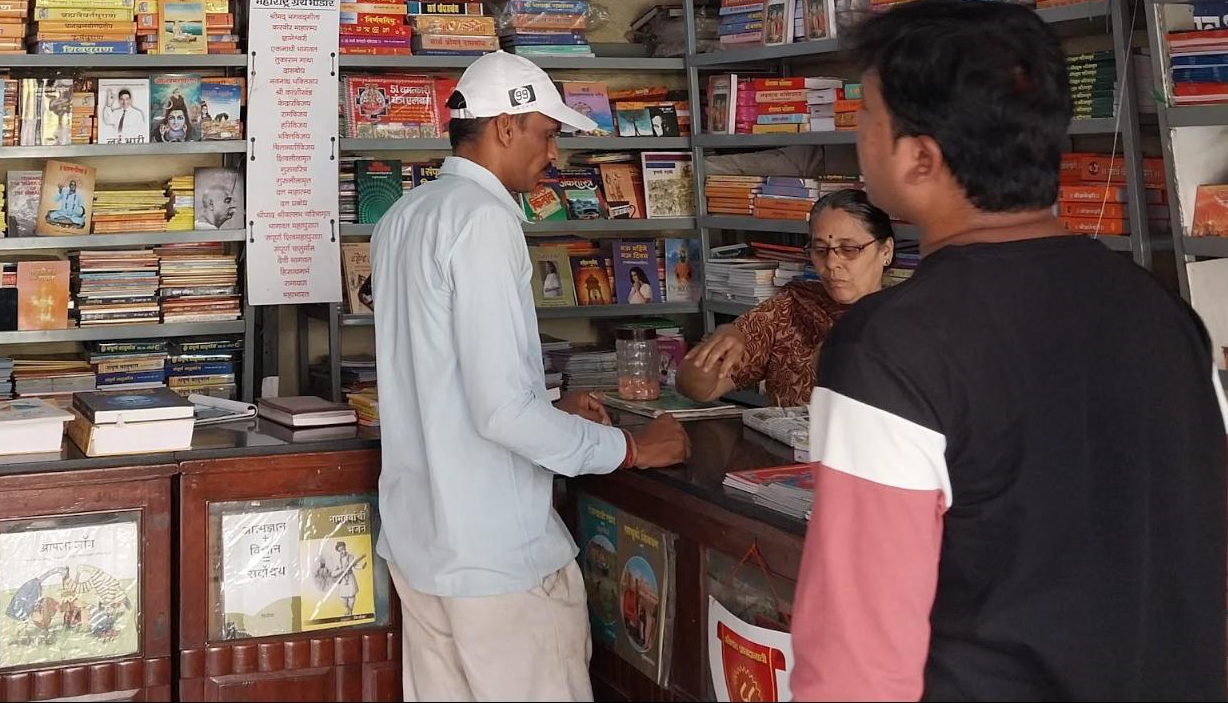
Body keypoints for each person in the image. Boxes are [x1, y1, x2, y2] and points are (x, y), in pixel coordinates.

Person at [791, 0, 1228, 700]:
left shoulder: (889, 346)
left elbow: (856, 667)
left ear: (920, 157)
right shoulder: (1159, 312)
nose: (855, 136)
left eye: (865, 116)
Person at [373, 51, 690, 702]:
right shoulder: (483, 221)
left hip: (422, 549)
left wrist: (549, 401)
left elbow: (441, 377)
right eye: (547, 134)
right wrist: (631, 448)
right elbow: (500, 416)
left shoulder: (404, 216)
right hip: (496, 562)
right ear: (505, 126)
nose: (554, 155)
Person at [676, 189, 894, 407]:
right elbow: (696, 388)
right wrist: (716, 350)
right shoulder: (790, 308)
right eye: (820, 250)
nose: (830, 263)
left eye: (848, 249)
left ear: (886, 251)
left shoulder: (907, 320)